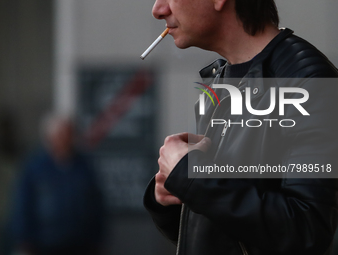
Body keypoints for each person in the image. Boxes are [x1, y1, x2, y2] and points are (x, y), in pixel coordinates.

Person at [143, 0, 338, 254]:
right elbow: (224, 234)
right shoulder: (220, 84)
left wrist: (192, 178)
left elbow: (306, 233)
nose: (158, 10)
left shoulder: (306, 81)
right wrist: (171, 197)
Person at [10, 114, 105, 255]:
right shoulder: (35, 167)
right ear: (50, 137)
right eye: (60, 134)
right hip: (44, 244)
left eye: (69, 133)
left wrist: (99, 239)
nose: (65, 138)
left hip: (81, 244)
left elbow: (97, 204)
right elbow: (23, 204)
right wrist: (24, 240)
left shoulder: (84, 166)